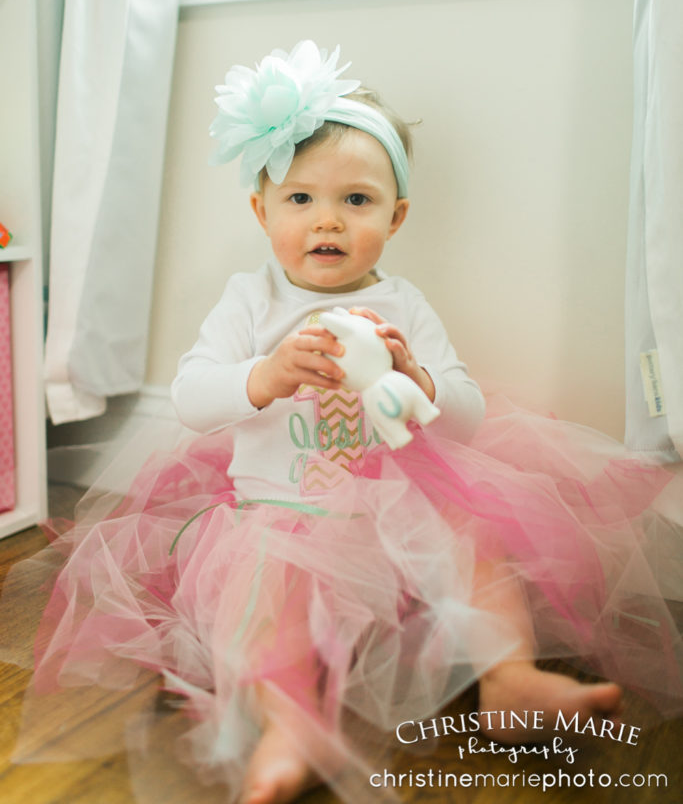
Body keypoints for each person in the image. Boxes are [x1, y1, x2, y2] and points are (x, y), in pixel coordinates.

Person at [4, 41, 683, 804]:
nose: (326, 219)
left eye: (355, 201)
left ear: (392, 218)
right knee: (270, 606)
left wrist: (415, 377)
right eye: (300, 200)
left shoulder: (403, 305)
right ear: (262, 212)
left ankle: (509, 679)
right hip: (277, 516)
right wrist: (264, 376)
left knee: (477, 543)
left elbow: (465, 418)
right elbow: (195, 397)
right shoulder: (250, 300)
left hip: (397, 512)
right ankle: (289, 725)